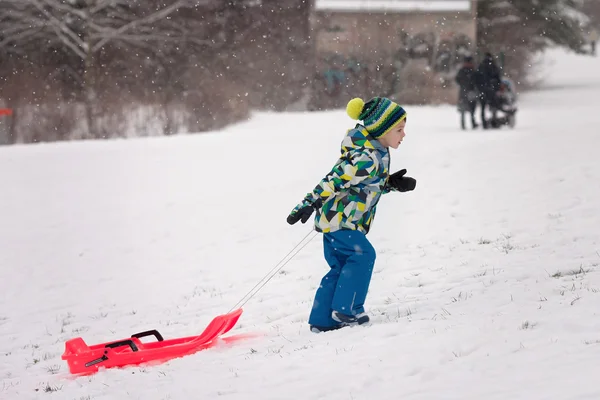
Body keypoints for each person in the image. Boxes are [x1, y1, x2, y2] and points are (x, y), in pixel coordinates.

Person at [286, 96, 417, 333]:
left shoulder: (376, 151)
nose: (404, 135)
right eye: (399, 129)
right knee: (363, 256)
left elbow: (364, 187)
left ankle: (323, 320)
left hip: (341, 220)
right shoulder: (365, 157)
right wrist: (308, 203)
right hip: (341, 221)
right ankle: (348, 310)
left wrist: (392, 184)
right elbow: (334, 180)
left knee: (341, 266)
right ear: (382, 129)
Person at [476, 52, 502, 129]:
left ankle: (484, 123)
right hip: (492, 90)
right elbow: (498, 79)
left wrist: (479, 88)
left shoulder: (481, 66)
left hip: (483, 90)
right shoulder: (493, 66)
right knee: (493, 106)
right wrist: (496, 88)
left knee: (483, 107)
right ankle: (494, 121)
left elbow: (477, 78)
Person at [455, 55, 479, 130]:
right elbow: (477, 81)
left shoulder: (462, 70)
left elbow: (457, 79)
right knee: (472, 108)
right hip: (471, 91)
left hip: (464, 91)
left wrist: (463, 84)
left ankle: (464, 124)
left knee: (463, 108)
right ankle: (472, 123)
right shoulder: (473, 70)